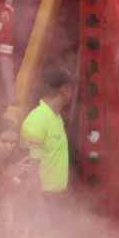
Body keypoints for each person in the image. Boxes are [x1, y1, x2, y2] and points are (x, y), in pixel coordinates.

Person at [20, 68, 72, 206]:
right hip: (43, 199)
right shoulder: (38, 119)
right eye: (71, 89)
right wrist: (38, 205)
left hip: (56, 197)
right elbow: (29, 166)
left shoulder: (56, 117)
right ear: (64, 90)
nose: (72, 94)